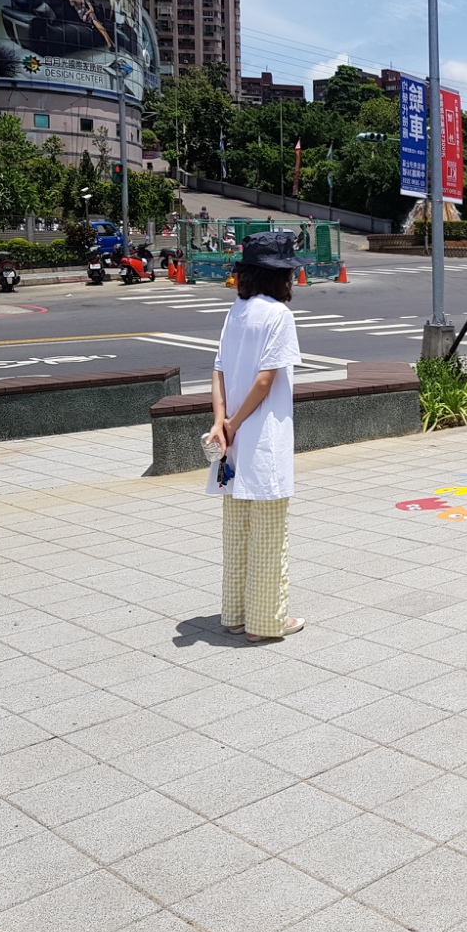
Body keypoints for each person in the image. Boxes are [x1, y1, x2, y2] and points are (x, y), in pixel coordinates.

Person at [206, 231, 307, 641]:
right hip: (262, 438)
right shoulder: (279, 316)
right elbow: (266, 380)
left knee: (237, 532)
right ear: (280, 275)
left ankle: (234, 613)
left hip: (232, 443)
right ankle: (267, 621)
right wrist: (235, 423)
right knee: (269, 533)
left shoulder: (237, 310)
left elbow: (219, 369)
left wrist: (220, 422)